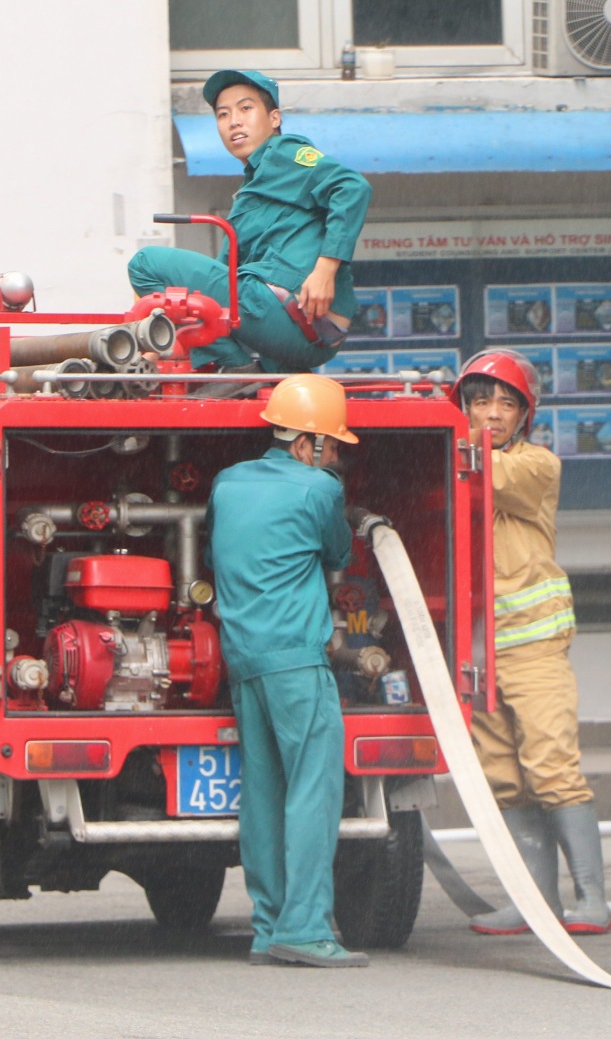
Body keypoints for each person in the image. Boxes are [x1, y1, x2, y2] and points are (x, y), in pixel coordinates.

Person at [205, 373, 368, 968]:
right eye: (334, 447)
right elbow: (338, 554)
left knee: (265, 792)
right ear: (312, 443)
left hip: (243, 659)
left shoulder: (227, 484)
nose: (335, 456)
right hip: (298, 660)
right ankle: (304, 927)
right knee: (313, 791)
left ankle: (269, 926)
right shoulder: (318, 488)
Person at [452, 350, 611, 936]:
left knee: (552, 769)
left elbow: (481, 471)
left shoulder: (534, 465)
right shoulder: (456, 460)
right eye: (479, 401)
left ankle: (592, 900)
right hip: (474, 652)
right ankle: (533, 901)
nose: (492, 413)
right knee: (503, 777)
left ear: (525, 414)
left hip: (533, 648)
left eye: (506, 403)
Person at [130, 70, 370, 387]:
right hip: (290, 336)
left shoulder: (282, 153)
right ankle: (243, 372)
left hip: (294, 316)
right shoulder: (250, 194)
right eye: (223, 114)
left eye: (246, 109)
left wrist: (326, 269)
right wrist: (153, 339)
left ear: (274, 118)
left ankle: (237, 367)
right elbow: (218, 279)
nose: (234, 122)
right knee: (191, 300)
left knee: (145, 264)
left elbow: (352, 188)